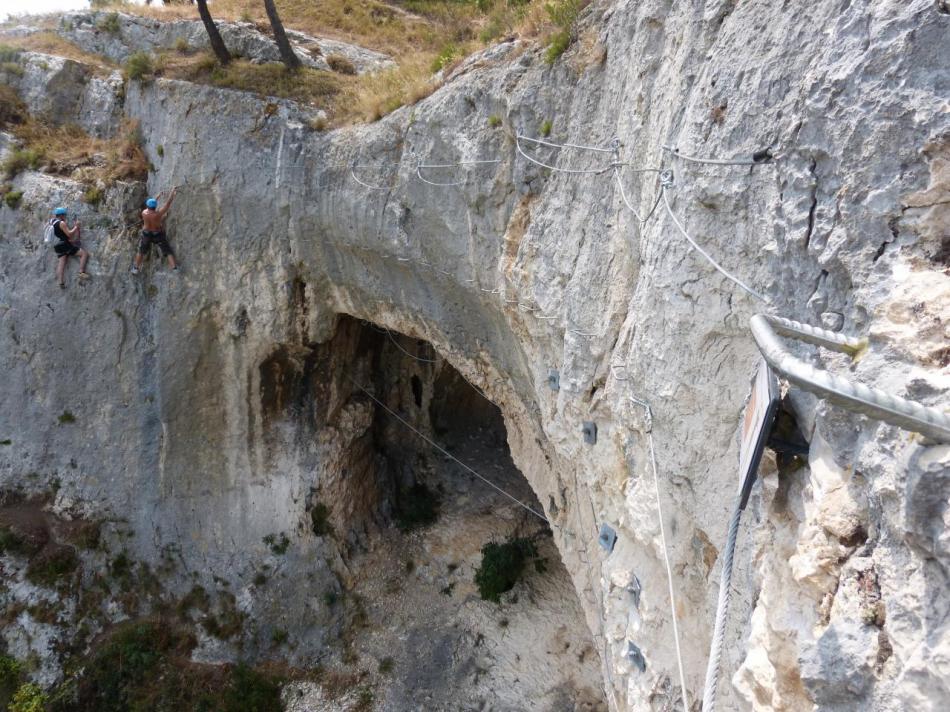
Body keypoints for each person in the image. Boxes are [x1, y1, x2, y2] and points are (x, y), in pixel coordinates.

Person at [132, 187, 178, 275]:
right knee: (167, 251)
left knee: (141, 251)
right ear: (155, 206)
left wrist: (158, 196)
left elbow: (151, 204)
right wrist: (172, 192)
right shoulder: (158, 214)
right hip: (157, 234)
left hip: (146, 234)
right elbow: (168, 204)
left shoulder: (144, 212)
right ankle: (174, 268)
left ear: (147, 206)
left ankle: (135, 268)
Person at [50, 207, 89, 289]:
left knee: (62, 262)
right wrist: (76, 226)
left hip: (57, 245)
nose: (65, 217)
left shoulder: (51, 222)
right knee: (84, 254)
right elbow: (69, 234)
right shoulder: (61, 223)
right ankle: (81, 272)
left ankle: (61, 282)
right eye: (64, 215)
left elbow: (58, 233)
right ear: (61, 215)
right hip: (65, 245)